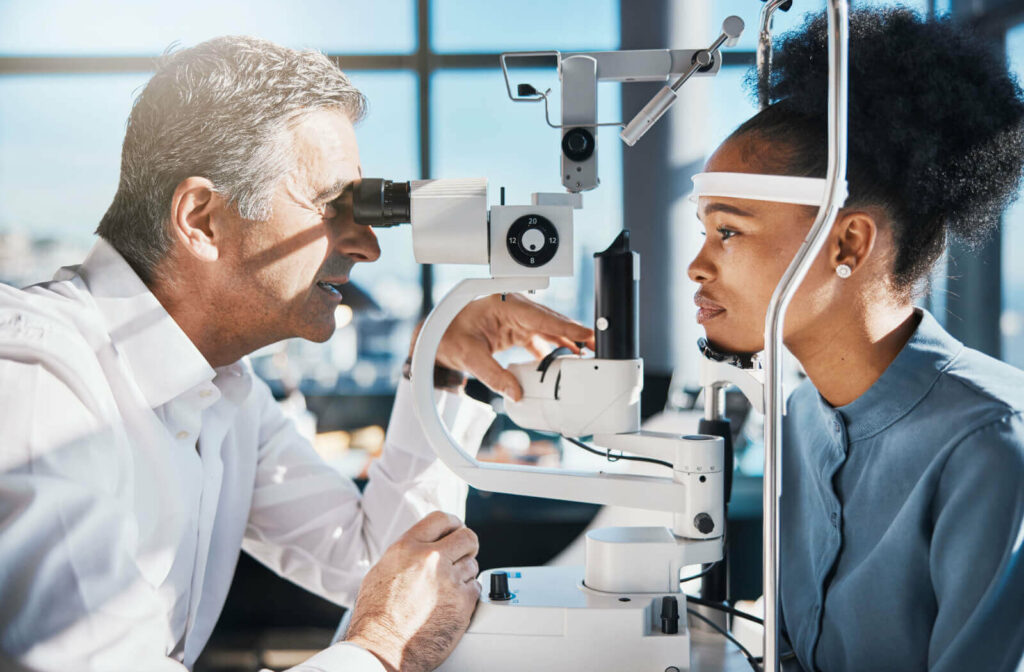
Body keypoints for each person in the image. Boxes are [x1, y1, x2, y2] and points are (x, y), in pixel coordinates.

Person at [0, 36, 594, 672]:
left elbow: (377, 562)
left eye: (364, 208)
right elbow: (390, 620)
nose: (368, 246)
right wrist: (379, 652)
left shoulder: (224, 389)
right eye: (331, 206)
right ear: (201, 219)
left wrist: (438, 368)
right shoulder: (38, 385)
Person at [688, 8, 1024, 671]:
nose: (697, 265)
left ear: (847, 242)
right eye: (703, 230)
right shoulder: (803, 419)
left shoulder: (991, 445)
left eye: (728, 231)